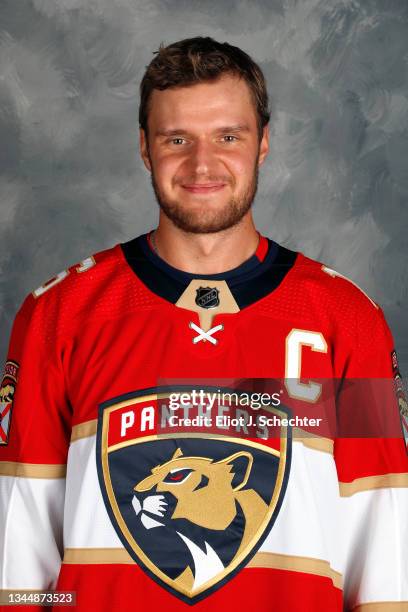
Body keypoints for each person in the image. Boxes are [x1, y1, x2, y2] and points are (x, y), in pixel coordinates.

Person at [0, 36, 407, 612]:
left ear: (262, 144)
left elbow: (385, 553)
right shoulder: (59, 314)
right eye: (177, 139)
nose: (202, 164)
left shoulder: (347, 321)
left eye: (228, 137)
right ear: (145, 148)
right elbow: (18, 561)